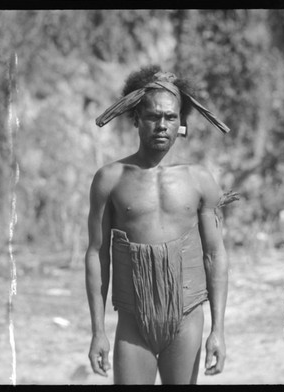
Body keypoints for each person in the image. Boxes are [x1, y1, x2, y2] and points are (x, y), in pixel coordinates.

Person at [85, 65, 234, 384]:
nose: (162, 125)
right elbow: (98, 255)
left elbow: (214, 255)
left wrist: (218, 330)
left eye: (170, 117)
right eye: (153, 116)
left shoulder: (199, 180)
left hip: (186, 320)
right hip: (132, 324)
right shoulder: (110, 180)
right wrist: (98, 332)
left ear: (182, 123)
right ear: (136, 118)